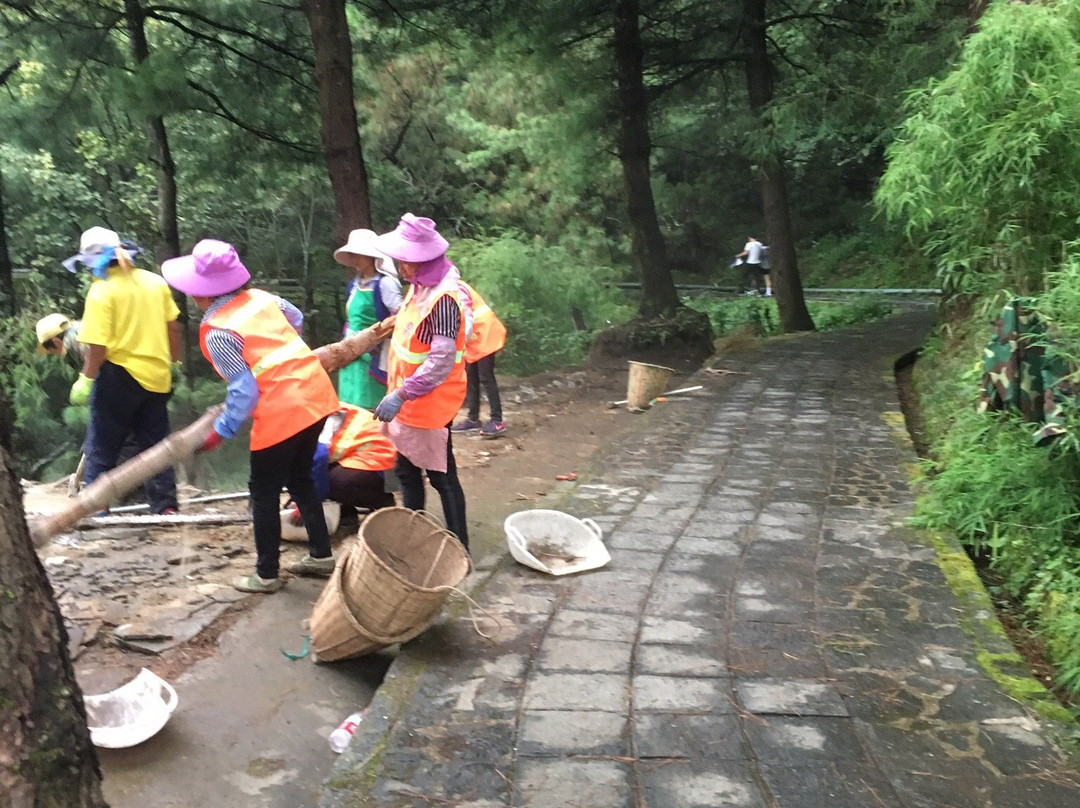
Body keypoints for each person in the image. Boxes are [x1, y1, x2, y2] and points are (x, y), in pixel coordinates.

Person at [162, 239, 341, 593]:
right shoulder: (262, 298)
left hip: (282, 412)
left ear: (202, 293)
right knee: (300, 478)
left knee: (263, 491)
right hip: (316, 395)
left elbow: (244, 392)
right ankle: (320, 555)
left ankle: (266, 574)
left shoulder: (218, 332)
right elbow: (297, 318)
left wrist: (220, 431)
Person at [371, 213, 470, 550]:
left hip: (430, 405)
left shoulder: (443, 300)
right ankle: (413, 542)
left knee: (442, 477)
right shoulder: (420, 288)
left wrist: (402, 393)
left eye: (405, 262)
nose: (400, 268)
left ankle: (461, 550)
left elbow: (441, 359)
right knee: (407, 472)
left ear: (423, 260)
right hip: (410, 405)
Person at [65, 226, 180, 515]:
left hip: (119, 376)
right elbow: (172, 327)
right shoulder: (156, 283)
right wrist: (175, 362)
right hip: (156, 376)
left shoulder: (101, 291)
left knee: (102, 446)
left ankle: (96, 508)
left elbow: (98, 345)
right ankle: (165, 507)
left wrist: (86, 378)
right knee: (156, 446)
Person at [288, 403, 397, 527]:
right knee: (318, 475)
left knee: (327, 481)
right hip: (375, 456)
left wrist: (306, 505)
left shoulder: (311, 421)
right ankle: (347, 512)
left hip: (387, 465)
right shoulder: (313, 406)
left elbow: (319, 458)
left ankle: (382, 502)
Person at [334, 229, 403, 410]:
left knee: (371, 402)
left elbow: (401, 316)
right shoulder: (354, 285)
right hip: (350, 351)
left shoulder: (385, 283)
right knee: (349, 404)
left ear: (371, 256)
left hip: (374, 351)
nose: (355, 259)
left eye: (359, 254)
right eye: (353, 255)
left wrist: (376, 339)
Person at [451, 280, 508, 437]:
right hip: (475, 336)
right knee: (471, 375)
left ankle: (497, 420)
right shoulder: (451, 287)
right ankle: (473, 418)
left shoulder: (455, 288)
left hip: (484, 332)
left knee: (486, 376)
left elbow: (467, 319)